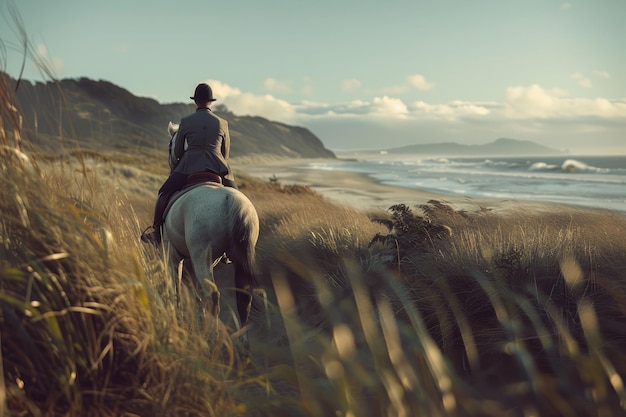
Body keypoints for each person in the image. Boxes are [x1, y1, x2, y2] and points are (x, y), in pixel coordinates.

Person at [141, 83, 237, 246]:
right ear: (210, 102)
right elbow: (225, 153)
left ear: (196, 101)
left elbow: (177, 152)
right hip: (217, 167)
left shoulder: (186, 121)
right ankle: (237, 240)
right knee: (237, 198)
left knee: (163, 192)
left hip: (188, 167)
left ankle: (157, 232)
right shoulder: (223, 123)